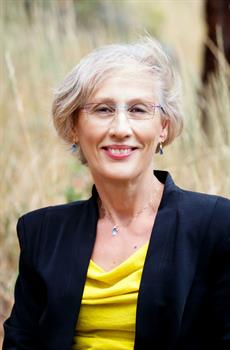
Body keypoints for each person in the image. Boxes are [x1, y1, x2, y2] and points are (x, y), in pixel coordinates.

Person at [3, 37, 230, 350]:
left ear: (163, 127)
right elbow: (20, 343)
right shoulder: (41, 232)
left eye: (138, 109)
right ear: (73, 127)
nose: (121, 127)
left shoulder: (216, 224)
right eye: (103, 109)